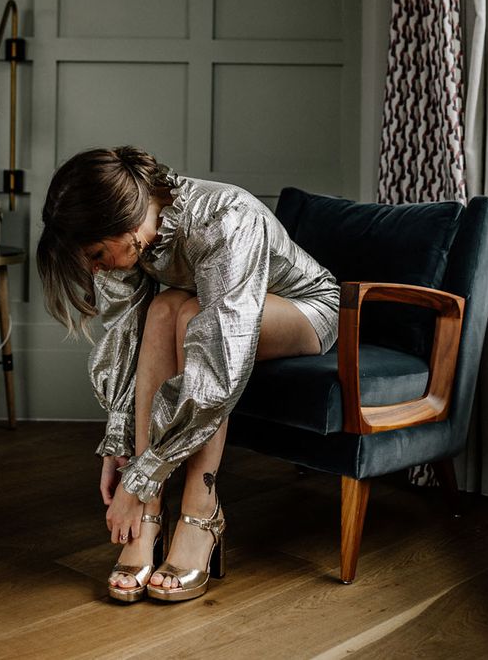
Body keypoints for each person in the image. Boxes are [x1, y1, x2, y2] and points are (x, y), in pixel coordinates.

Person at [36, 146, 339, 603]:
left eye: (96, 254)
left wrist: (139, 479)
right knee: (162, 310)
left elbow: (217, 366)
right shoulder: (130, 237)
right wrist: (118, 448)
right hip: (214, 313)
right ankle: (151, 517)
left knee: (194, 316)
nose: (94, 268)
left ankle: (202, 513)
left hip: (307, 307)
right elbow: (125, 339)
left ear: (123, 220)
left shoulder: (226, 219)